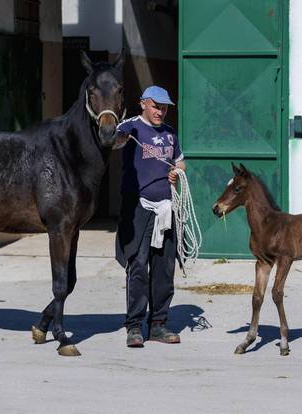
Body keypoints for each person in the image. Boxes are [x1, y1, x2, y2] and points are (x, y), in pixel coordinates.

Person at [114, 85, 186, 348]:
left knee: (164, 268)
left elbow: (180, 161)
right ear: (143, 103)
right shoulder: (130, 127)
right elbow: (109, 140)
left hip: (165, 208)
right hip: (138, 208)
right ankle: (134, 326)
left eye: (165, 107)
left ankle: (158, 324)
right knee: (138, 266)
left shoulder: (169, 133)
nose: (161, 111)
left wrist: (177, 172)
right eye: (156, 106)